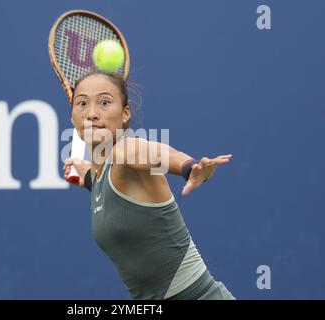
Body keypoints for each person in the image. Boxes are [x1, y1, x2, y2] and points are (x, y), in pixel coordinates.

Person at [63, 70, 235, 300]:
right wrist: (87, 178)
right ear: (73, 117)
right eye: (82, 103)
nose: (92, 113)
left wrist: (188, 167)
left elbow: (156, 153)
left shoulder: (126, 150)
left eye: (104, 102)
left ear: (125, 114)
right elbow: (111, 189)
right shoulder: (100, 174)